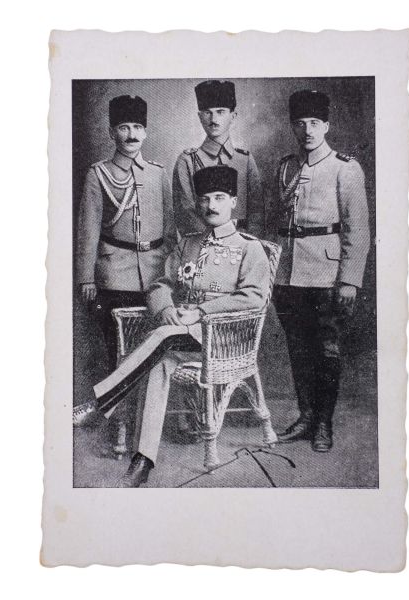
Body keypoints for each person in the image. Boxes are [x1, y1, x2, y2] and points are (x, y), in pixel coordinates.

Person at [115, 165, 270, 487]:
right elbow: (160, 284)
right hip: (179, 336)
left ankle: (102, 401)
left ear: (233, 202)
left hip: (223, 338)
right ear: (198, 204)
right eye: (205, 199)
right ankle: (143, 458)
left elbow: (254, 298)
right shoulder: (188, 244)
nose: (211, 206)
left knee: (162, 339)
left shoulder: (249, 247)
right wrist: (166, 308)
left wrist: (201, 312)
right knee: (160, 362)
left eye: (219, 198)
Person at [269, 90, 370, 452]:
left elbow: (358, 230)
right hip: (288, 274)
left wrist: (349, 281)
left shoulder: (345, 168)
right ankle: (306, 417)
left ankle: (324, 423)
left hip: (327, 275)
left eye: (314, 123)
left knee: (326, 351)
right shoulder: (285, 167)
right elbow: (277, 223)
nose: (307, 130)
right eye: (300, 123)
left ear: (326, 125)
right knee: (298, 350)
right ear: (293, 127)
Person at [74, 94, 177, 426]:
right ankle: (120, 419)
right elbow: (88, 229)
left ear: (145, 132)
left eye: (137, 127)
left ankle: (150, 416)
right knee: (117, 350)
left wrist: (174, 273)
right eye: (123, 127)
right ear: (111, 132)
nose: (131, 135)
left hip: (157, 273)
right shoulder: (99, 174)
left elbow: (170, 229)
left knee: (157, 349)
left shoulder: (158, 173)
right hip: (114, 272)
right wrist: (86, 277)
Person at [173, 80, 264, 237]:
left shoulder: (245, 160)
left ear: (233, 116)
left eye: (220, 112)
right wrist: (213, 243)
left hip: (242, 242)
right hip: (203, 243)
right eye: (207, 113)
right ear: (200, 117)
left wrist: (247, 243)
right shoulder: (187, 161)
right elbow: (185, 214)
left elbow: (257, 212)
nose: (214, 120)